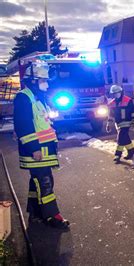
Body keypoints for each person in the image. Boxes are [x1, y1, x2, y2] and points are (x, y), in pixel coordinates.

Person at [13, 61, 69, 229]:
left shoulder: (37, 97)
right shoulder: (24, 97)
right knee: (45, 182)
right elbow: (23, 125)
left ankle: (36, 212)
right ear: (33, 81)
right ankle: (52, 216)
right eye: (42, 80)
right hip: (36, 151)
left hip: (43, 149)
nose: (46, 83)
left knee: (37, 181)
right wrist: (34, 148)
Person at [106, 85, 134, 164]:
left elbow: (133, 111)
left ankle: (117, 155)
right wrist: (108, 124)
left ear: (121, 92)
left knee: (120, 137)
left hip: (127, 122)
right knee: (125, 138)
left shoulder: (127, 100)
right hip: (118, 123)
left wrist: (133, 121)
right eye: (114, 93)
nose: (116, 94)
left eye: (117, 92)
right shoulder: (112, 103)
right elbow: (111, 115)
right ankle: (131, 152)